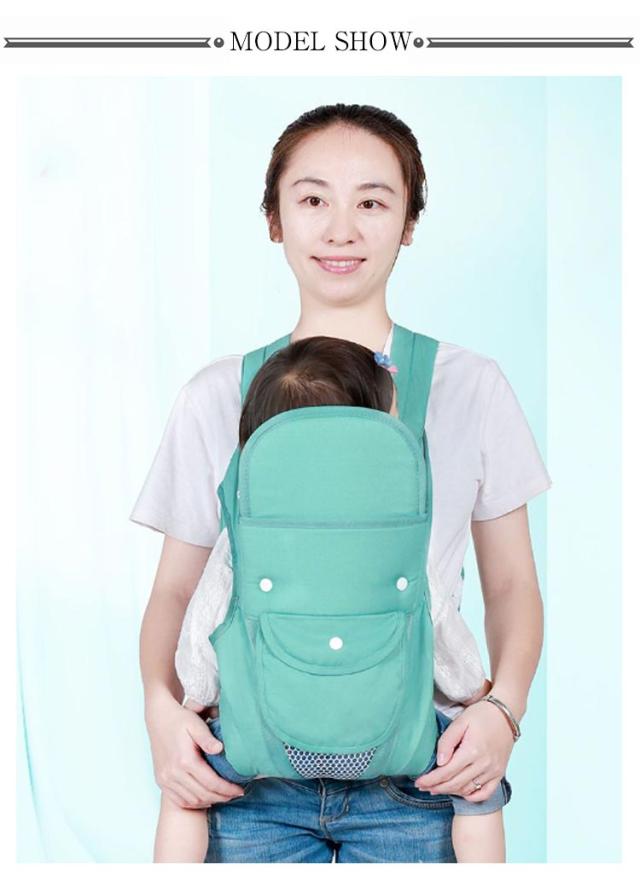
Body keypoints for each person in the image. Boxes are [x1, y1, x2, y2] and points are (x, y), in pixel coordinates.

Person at [131, 103, 551, 863]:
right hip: (244, 772)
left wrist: (503, 712)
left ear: (410, 223)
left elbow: (513, 583)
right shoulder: (215, 395)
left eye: (373, 203)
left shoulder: (472, 387)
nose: (341, 230)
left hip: (424, 771)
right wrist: (161, 712)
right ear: (274, 218)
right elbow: (175, 591)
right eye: (313, 199)